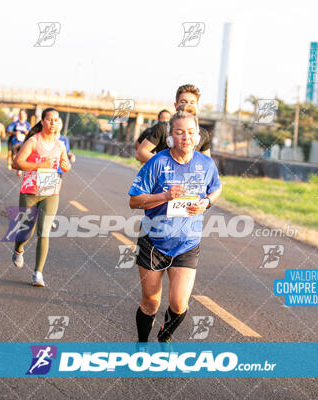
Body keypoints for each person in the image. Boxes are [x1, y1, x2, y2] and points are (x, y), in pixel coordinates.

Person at [128, 110, 222, 345]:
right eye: (179, 132)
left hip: (187, 243)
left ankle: (165, 335)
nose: (186, 137)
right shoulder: (157, 163)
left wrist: (207, 202)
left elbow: (216, 188)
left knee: (179, 303)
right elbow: (134, 200)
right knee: (151, 301)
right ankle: (142, 344)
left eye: (191, 132)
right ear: (170, 136)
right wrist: (165, 196)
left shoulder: (206, 164)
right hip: (154, 241)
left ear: (198, 135)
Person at [11, 107, 71, 287]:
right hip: (30, 191)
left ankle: (38, 273)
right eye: (50, 119)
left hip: (50, 192)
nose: (53, 123)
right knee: (25, 231)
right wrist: (39, 165)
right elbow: (16, 163)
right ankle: (19, 249)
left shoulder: (60, 144)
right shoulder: (33, 141)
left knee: (44, 232)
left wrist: (65, 163)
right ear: (43, 121)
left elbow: (66, 167)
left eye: (56, 120)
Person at [136, 84, 211, 164]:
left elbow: (207, 163)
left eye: (192, 103)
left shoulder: (203, 134)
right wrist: (166, 164)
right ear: (176, 105)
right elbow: (140, 153)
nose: (188, 105)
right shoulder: (162, 128)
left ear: (197, 106)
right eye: (183, 102)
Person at [8, 110, 31, 175]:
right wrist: (14, 133)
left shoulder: (27, 124)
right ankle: (17, 166)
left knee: (21, 157)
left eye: (23, 114)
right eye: (20, 114)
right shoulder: (15, 123)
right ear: (19, 115)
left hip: (23, 143)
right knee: (14, 158)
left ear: (25, 115)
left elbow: (31, 133)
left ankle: (19, 170)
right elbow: (9, 131)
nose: (22, 115)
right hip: (14, 142)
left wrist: (27, 133)